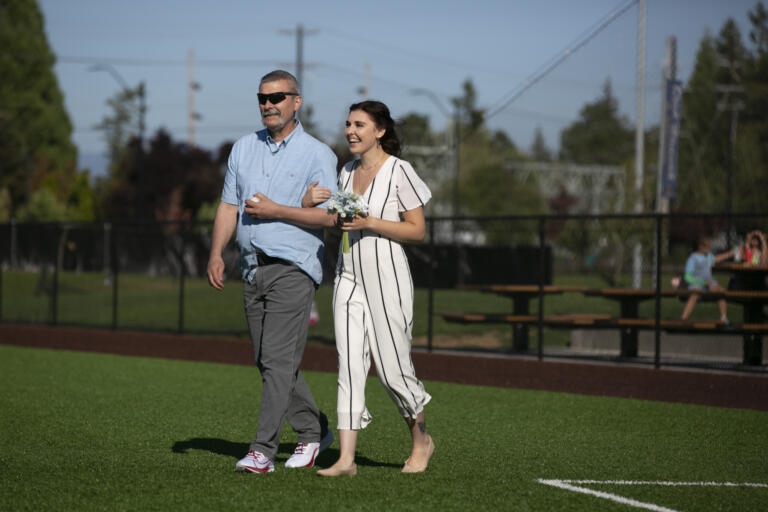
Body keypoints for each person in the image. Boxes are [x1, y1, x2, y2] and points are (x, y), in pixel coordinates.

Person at [206, 70, 338, 474]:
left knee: (277, 362)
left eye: (278, 97)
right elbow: (229, 206)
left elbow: (331, 217)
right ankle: (314, 429)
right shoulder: (243, 148)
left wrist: (278, 210)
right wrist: (216, 252)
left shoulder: (319, 154)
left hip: (293, 269)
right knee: (268, 360)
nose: (269, 104)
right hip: (250, 269)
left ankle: (263, 451)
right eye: (262, 98)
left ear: (296, 102)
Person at [303, 100, 435, 477]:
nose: (350, 131)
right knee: (348, 366)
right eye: (347, 124)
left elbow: (417, 230)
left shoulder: (400, 171)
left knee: (393, 372)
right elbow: (338, 222)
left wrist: (371, 222)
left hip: (387, 277)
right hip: (347, 277)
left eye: (359, 124)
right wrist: (308, 201)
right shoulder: (344, 172)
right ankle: (346, 460)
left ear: (380, 131)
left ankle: (421, 439)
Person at [680, 236, 731, 323]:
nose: (709, 248)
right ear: (700, 246)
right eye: (707, 246)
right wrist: (702, 282)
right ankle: (683, 318)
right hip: (696, 284)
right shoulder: (693, 259)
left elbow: (717, 258)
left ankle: (723, 317)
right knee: (695, 293)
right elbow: (687, 277)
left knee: (720, 290)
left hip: (709, 284)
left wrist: (731, 253)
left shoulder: (708, 256)